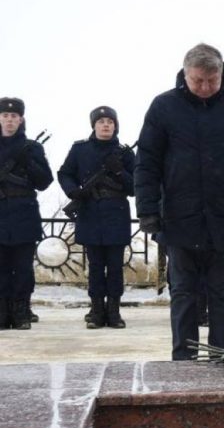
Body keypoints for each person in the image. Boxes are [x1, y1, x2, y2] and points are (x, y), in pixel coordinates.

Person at [135, 43, 224, 360]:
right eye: (198, 81)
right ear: (185, 75)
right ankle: (184, 359)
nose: (206, 87)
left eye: (212, 80)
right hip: (179, 217)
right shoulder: (164, 106)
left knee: (221, 292)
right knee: (183, 293)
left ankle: (222, 355)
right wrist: (147, 209)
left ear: (222, 74)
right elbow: (147, 162)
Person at [58, 106, 136, 329]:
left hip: (116, 214)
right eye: (101, 121)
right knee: (95, 266)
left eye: (110, 122)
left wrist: (120, 171)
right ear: (93, 125)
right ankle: (96, 311)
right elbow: (65, 173)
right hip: (90, 211)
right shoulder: (80, 149)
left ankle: (114, 311)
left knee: (115, 267)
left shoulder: (125, 153)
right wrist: (73, 191)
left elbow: (136, 186)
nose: (105, 125)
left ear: (115, 126)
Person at [0, 97, 53, 330]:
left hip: (24, 214)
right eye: (5, 116)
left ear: (21, 120)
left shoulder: (32, 148)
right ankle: (3, 312)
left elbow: (44, 181)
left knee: (22, 268)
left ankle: (21, 311)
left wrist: (29, 163)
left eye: (14, 116)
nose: (9, 120)